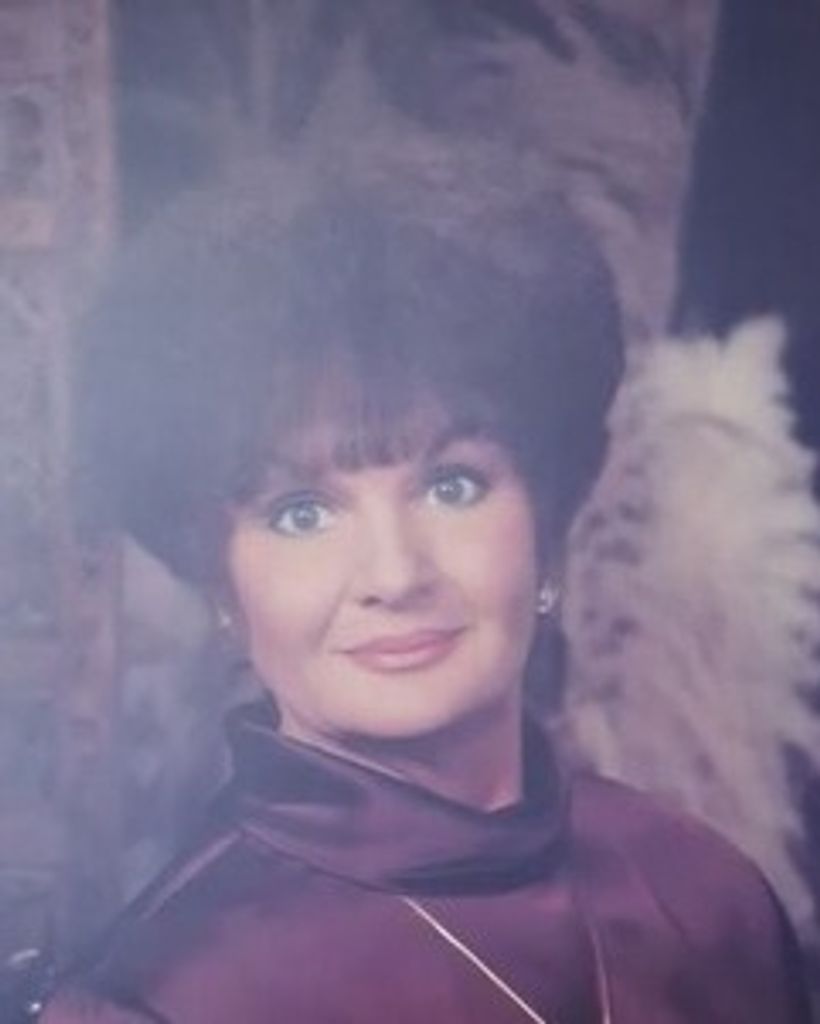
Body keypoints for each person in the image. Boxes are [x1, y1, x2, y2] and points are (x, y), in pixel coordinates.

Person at [41, 144, 810, 1022]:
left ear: (550, 512)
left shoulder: (711, 898)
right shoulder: (158, 999)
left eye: (453, 486)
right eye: (302, 512)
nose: (396, 574)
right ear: (216, 578)